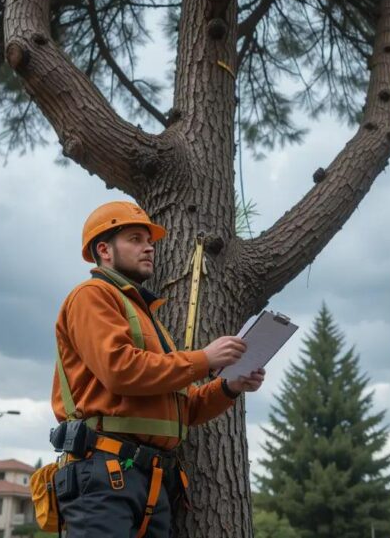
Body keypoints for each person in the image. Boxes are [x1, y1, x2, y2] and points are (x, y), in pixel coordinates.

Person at [51, 200, 265, 538]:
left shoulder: (148, 319)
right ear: (104, 250)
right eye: (135, 239)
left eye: (149, 241)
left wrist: (230, 387)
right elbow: (119, 369)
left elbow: (185, 410)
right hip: (104, 475)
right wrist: (204, 359)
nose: (148, 247)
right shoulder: (92, 295)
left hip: (147, 479)